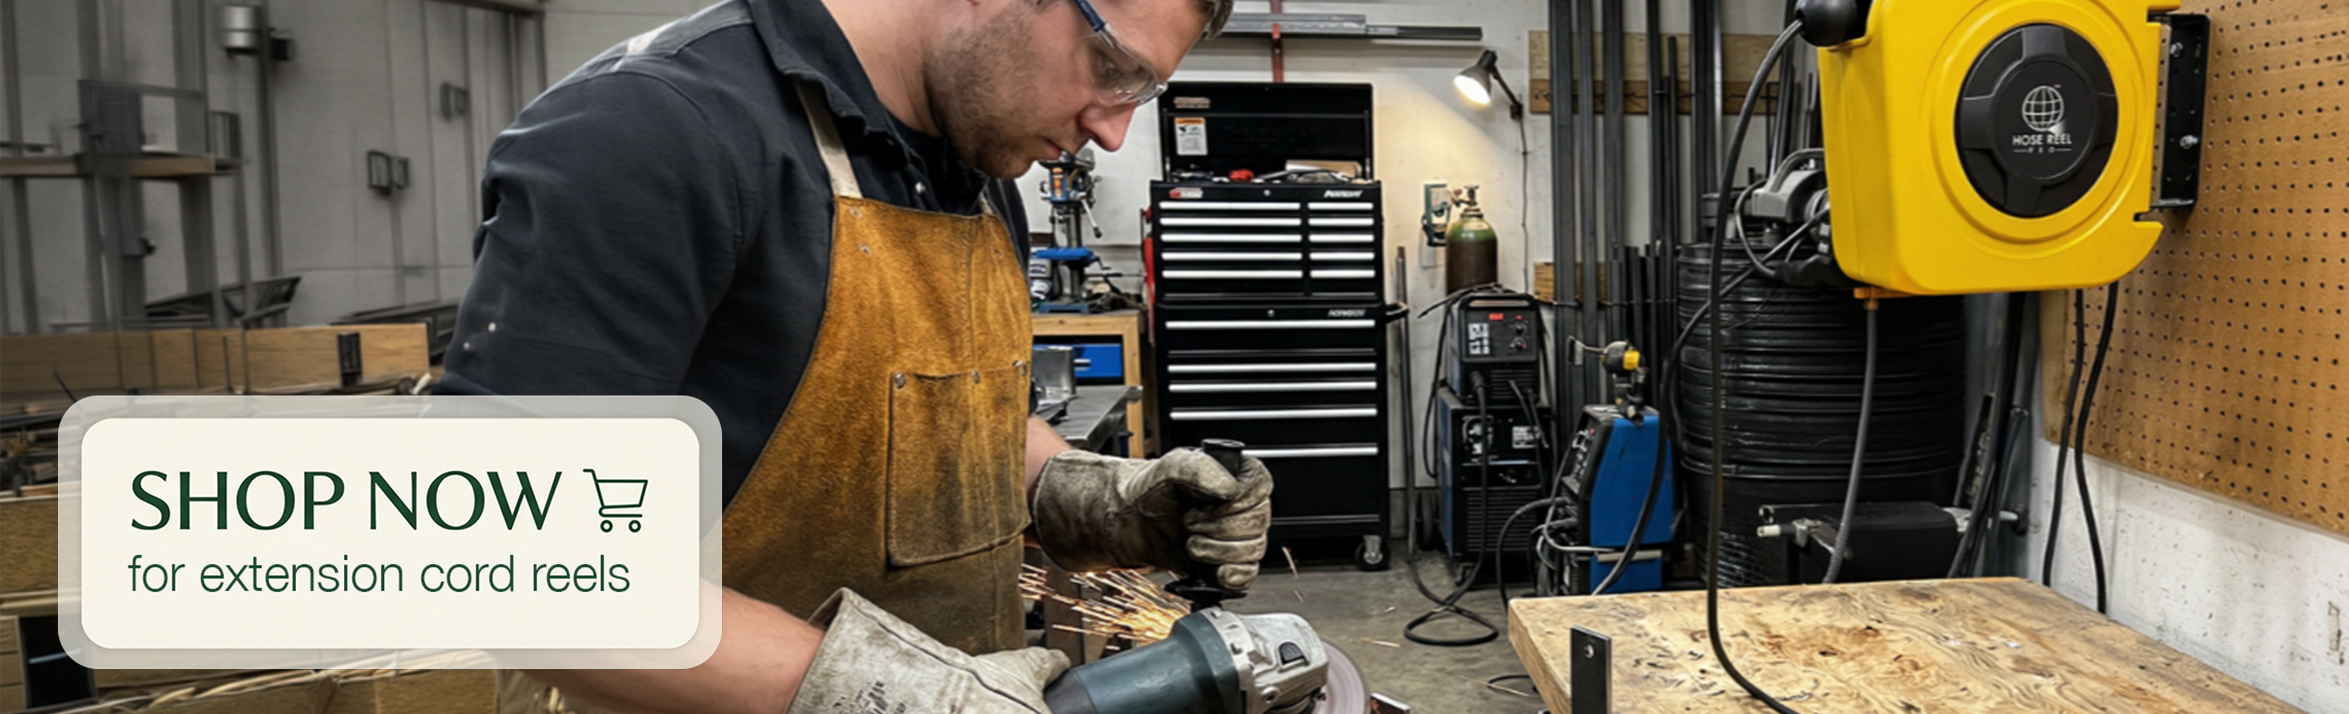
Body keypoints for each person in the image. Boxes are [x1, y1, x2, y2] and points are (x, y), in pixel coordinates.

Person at [434, 0, 1264, 711]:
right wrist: (887, 694)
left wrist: (1090, 496)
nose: (1112, 133)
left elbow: (939, 419)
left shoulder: (973, 166)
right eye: (1109, 67)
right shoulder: (654, 128)